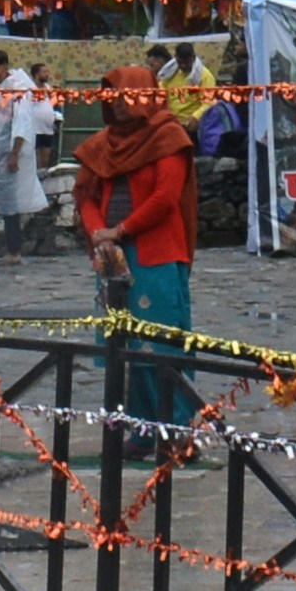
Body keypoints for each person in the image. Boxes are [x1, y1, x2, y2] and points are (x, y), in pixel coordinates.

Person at [82, 64, 203, 430]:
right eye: (113, 99)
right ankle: (140, 426)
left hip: (157, 253)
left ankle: (177, 428)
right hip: (113, 257)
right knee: (126, 346)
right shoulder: (103, 143)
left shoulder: (169, 139)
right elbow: (86, 194)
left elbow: (165, 198)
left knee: (161, 345)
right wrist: (98, 232)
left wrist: (120, 229)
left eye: (126, 98)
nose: (118, 106)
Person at [0, 55, 58, 254]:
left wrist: (14, 154)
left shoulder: (18, 90)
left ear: (4, 66)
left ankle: (14, 251)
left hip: (10, 155)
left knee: (9, 205)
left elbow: (22, 123)